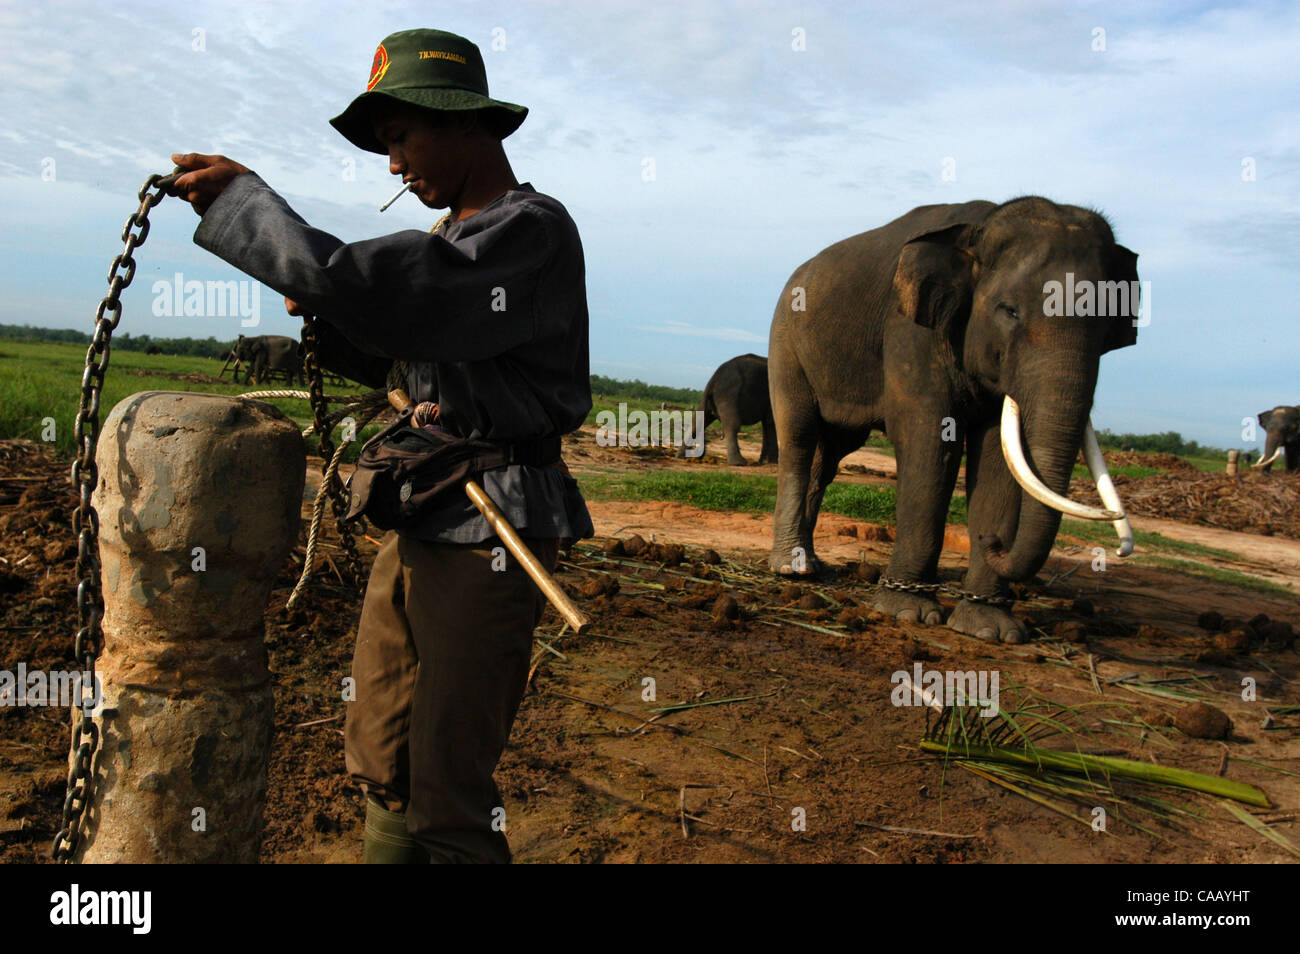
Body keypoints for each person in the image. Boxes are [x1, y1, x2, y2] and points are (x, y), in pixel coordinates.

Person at [169, 27, 593, 863]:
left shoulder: (528, 232)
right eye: (386, 145)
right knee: (383, 744)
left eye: (401, 137)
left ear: (469, 124)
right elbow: (426, 355)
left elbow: (407, 298)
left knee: (447, 780)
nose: (393, 163)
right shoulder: (455, 240)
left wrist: (248, 206)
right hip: (432, 510)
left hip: (492, 531)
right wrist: (340, 331)